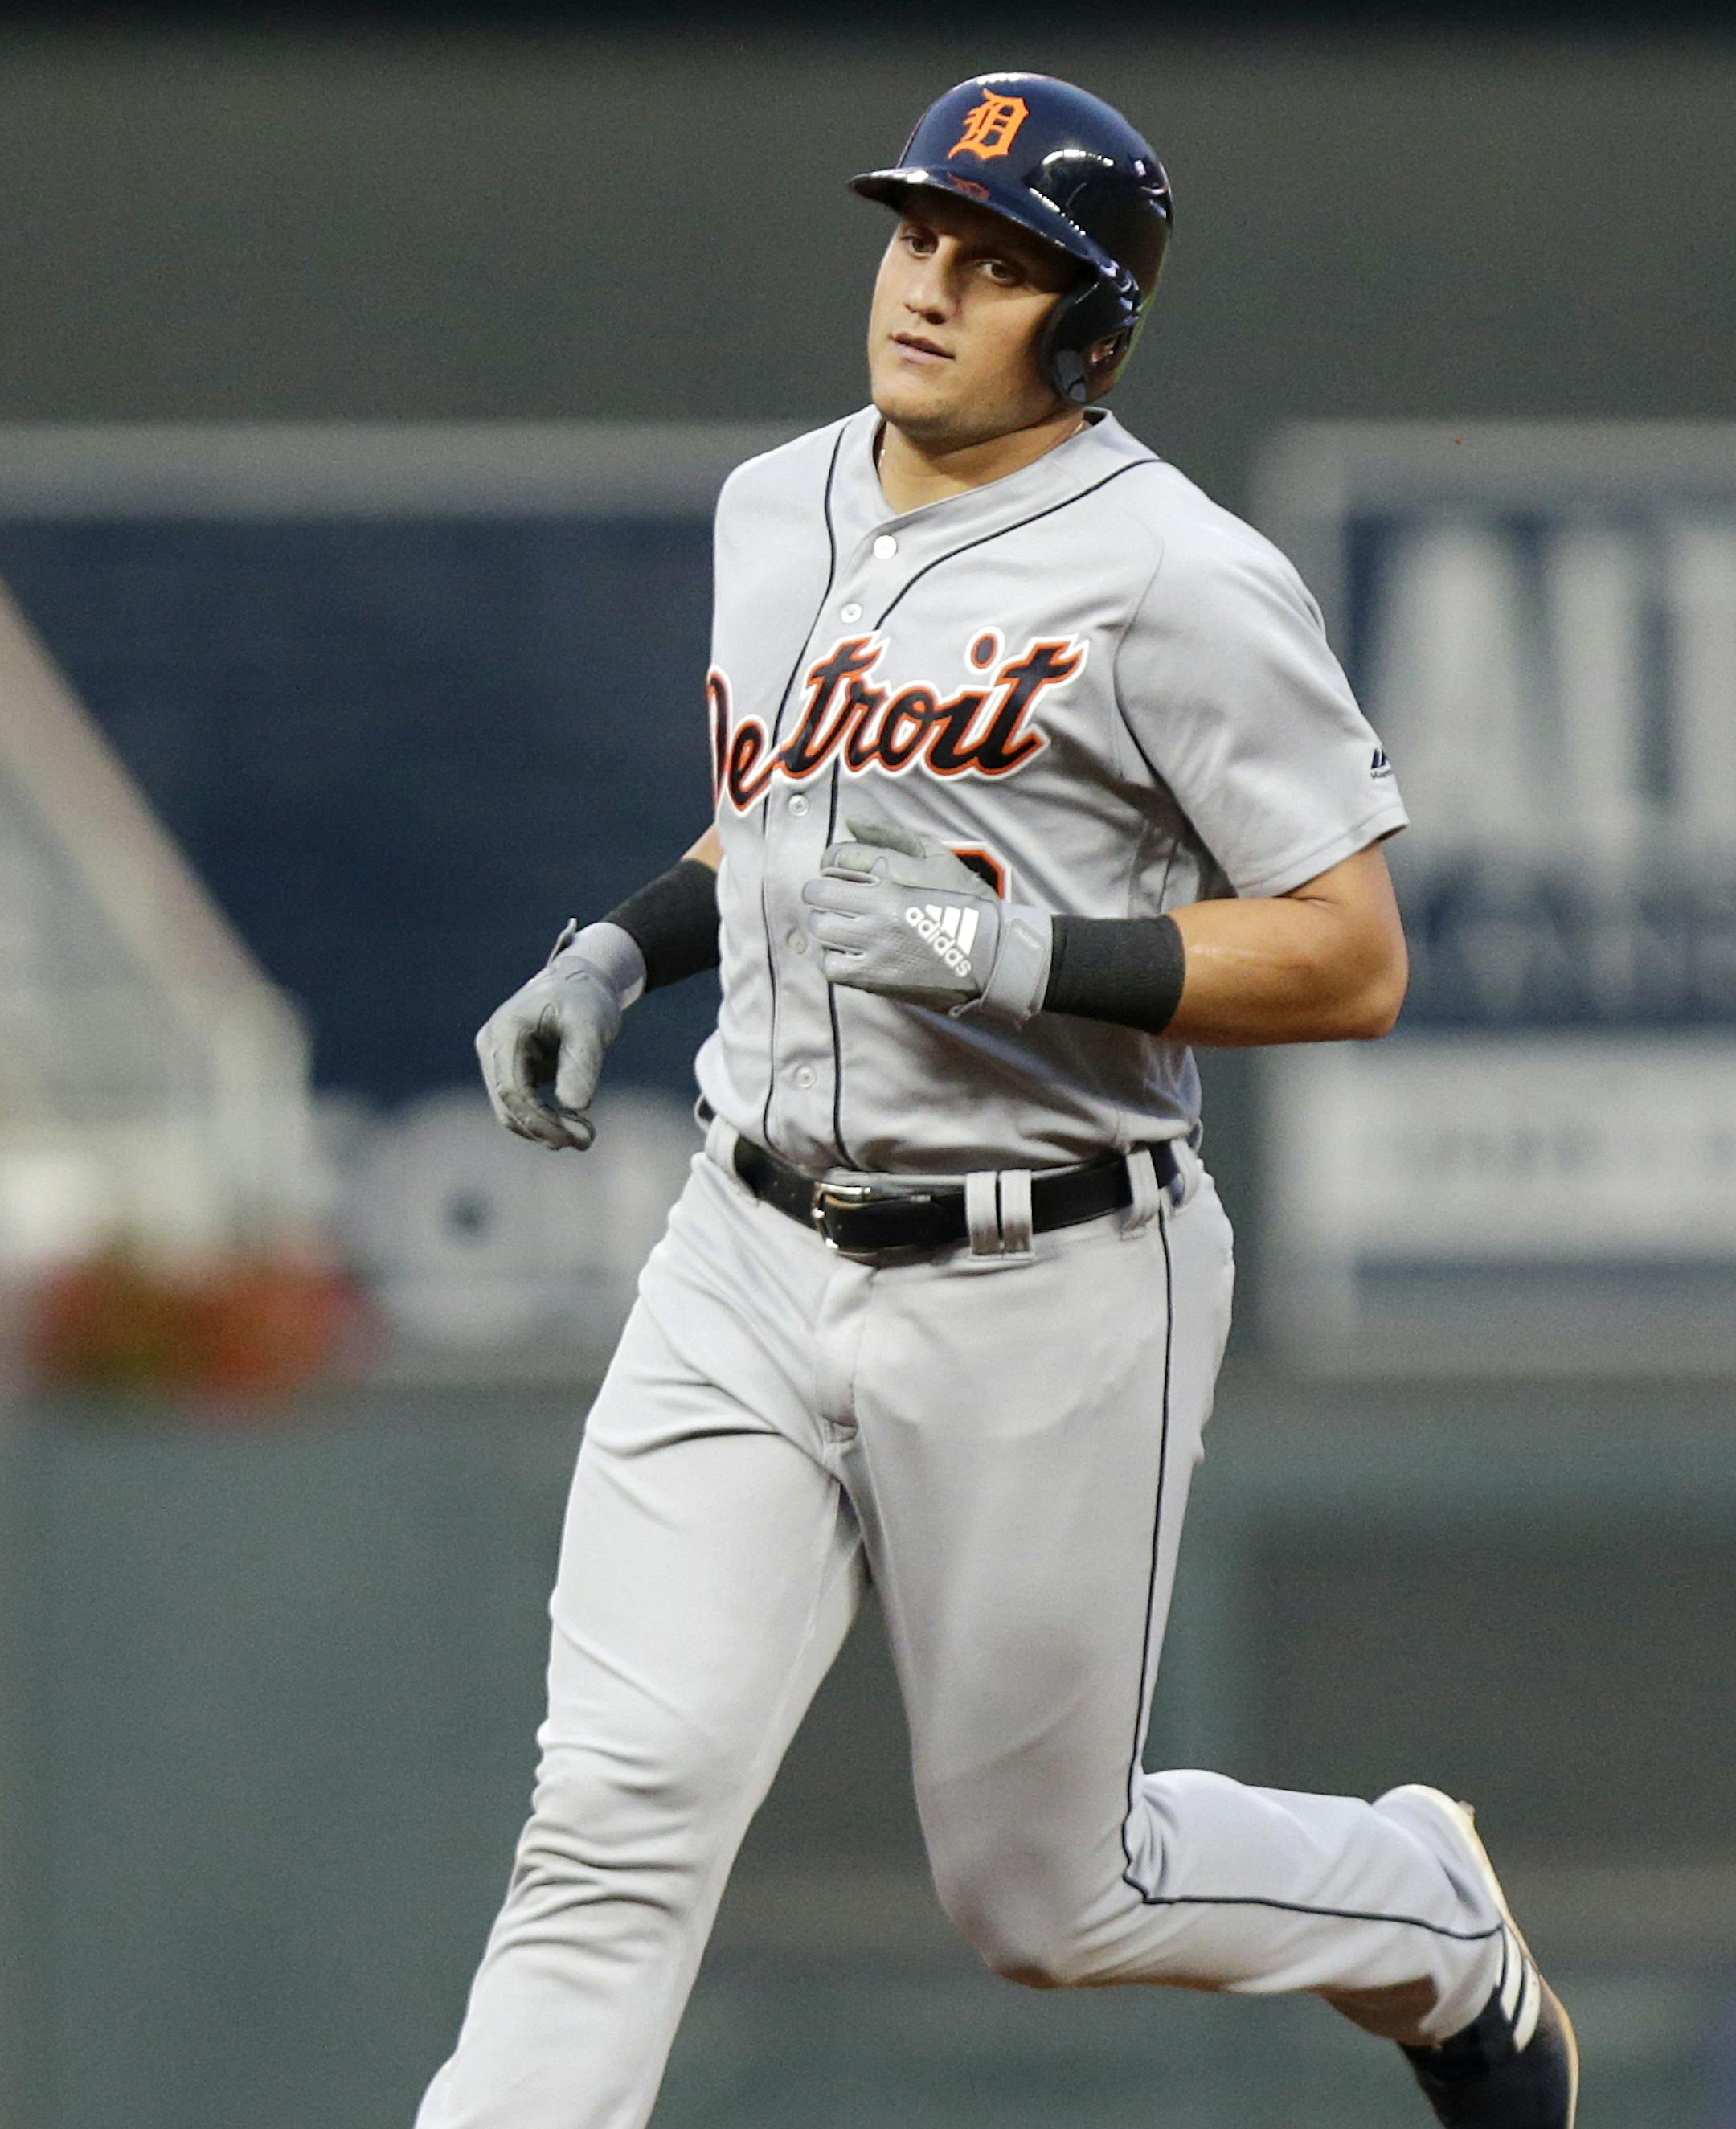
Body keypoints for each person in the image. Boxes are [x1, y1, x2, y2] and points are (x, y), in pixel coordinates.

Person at [418, 70, 1577, 2129]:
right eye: (920, 236)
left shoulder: (1176, 577)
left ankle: (1432, 1920)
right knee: (612, 1817)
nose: (933, 287)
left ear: (1092, 327)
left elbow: (1351, 948)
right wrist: (616, 946)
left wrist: (1034, 958)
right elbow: (786, 827)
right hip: (745, 1250)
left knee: (1051, 1896)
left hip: (1049, 1269)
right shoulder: (775, 504)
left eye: (1002, 263)